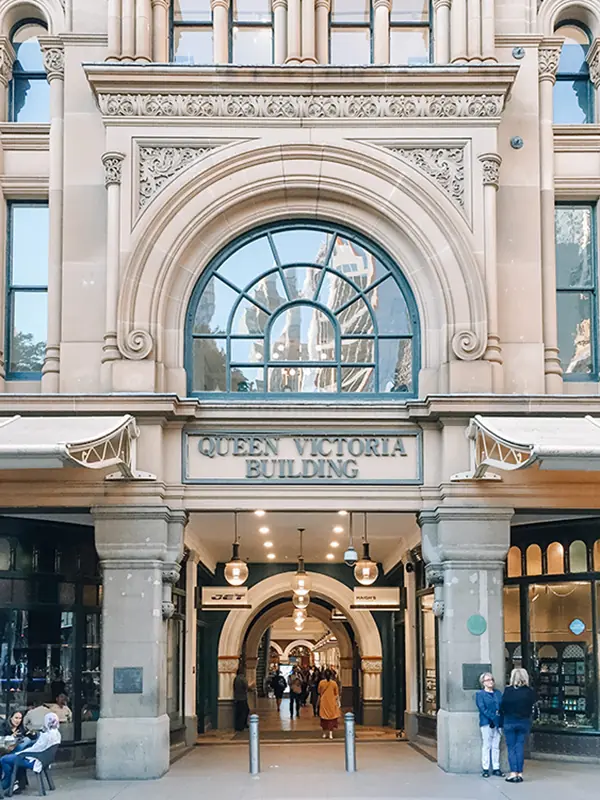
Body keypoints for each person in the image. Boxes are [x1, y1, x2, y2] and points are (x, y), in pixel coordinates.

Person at [1, 712, 61, 794]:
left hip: (34, 759)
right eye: (16, 718)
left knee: (4, 759)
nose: (18, 720)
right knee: (13, 756)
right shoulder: (57, 734)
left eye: (20, 718)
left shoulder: (46, 735)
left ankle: (7, 782)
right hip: (41, 759)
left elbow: (36, 748)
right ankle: (13, 783)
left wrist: (21, 752)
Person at [500, 668, 537, 783]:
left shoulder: (508, 691)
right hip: (524, 722)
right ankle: (520, 773)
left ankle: (513, 773)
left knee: (511, 748)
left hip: (510, 721)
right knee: (519, 747)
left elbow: (502, 706)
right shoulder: (529, 691)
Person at [475, 672, 503, 778]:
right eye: (487, 680)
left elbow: (501, 706)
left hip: (498, 723)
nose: (490, 682)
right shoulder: (480, 695)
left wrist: (499, 717)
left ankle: (496, 767)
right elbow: (482, 708)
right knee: (486, 745)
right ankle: (485, 768)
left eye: (491, 679)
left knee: (496, 746)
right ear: (483, 683)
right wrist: (493, 716)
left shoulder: (498, 693)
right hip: (486, 722)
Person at [318, 669, 341, 739]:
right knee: (331, 718)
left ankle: (324, 733)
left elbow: (319, 691)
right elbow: (336, 694)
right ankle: (331, 733)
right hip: (332, 702)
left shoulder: (321, 683)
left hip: (324, 702)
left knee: (324, 718)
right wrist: (338, 702)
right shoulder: (334, 683)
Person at [233, 667, 249, 733]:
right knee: (244, 711)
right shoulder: (243, 678)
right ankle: (242, 726)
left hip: (237, 697)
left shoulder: (236, 678)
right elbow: (246, 687)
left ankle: (238, 726)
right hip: (243, 698)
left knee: (239, 712)